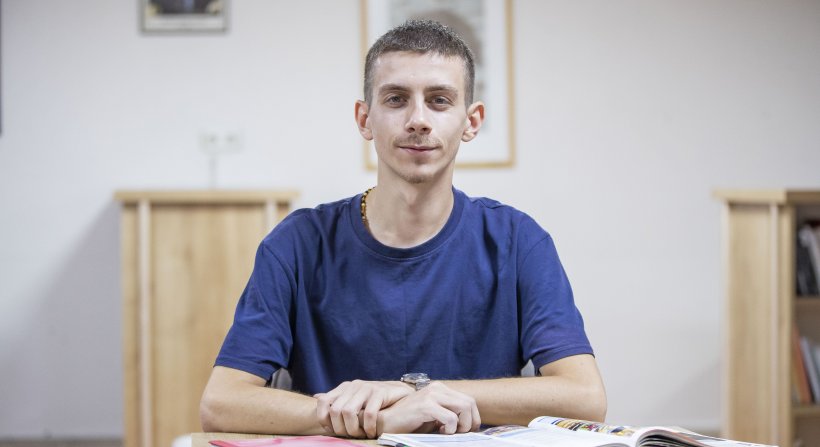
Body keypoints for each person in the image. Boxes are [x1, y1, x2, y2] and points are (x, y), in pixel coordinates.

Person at [200, 19, 606, 439]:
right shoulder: (296, 244)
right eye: (396, 99)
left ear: (471, 121)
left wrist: (418, 392)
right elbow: (221, 402)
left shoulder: (519, 242)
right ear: (365, 119)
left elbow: (585, 398)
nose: (418, 120)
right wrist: (374, 417)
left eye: (439, 100)